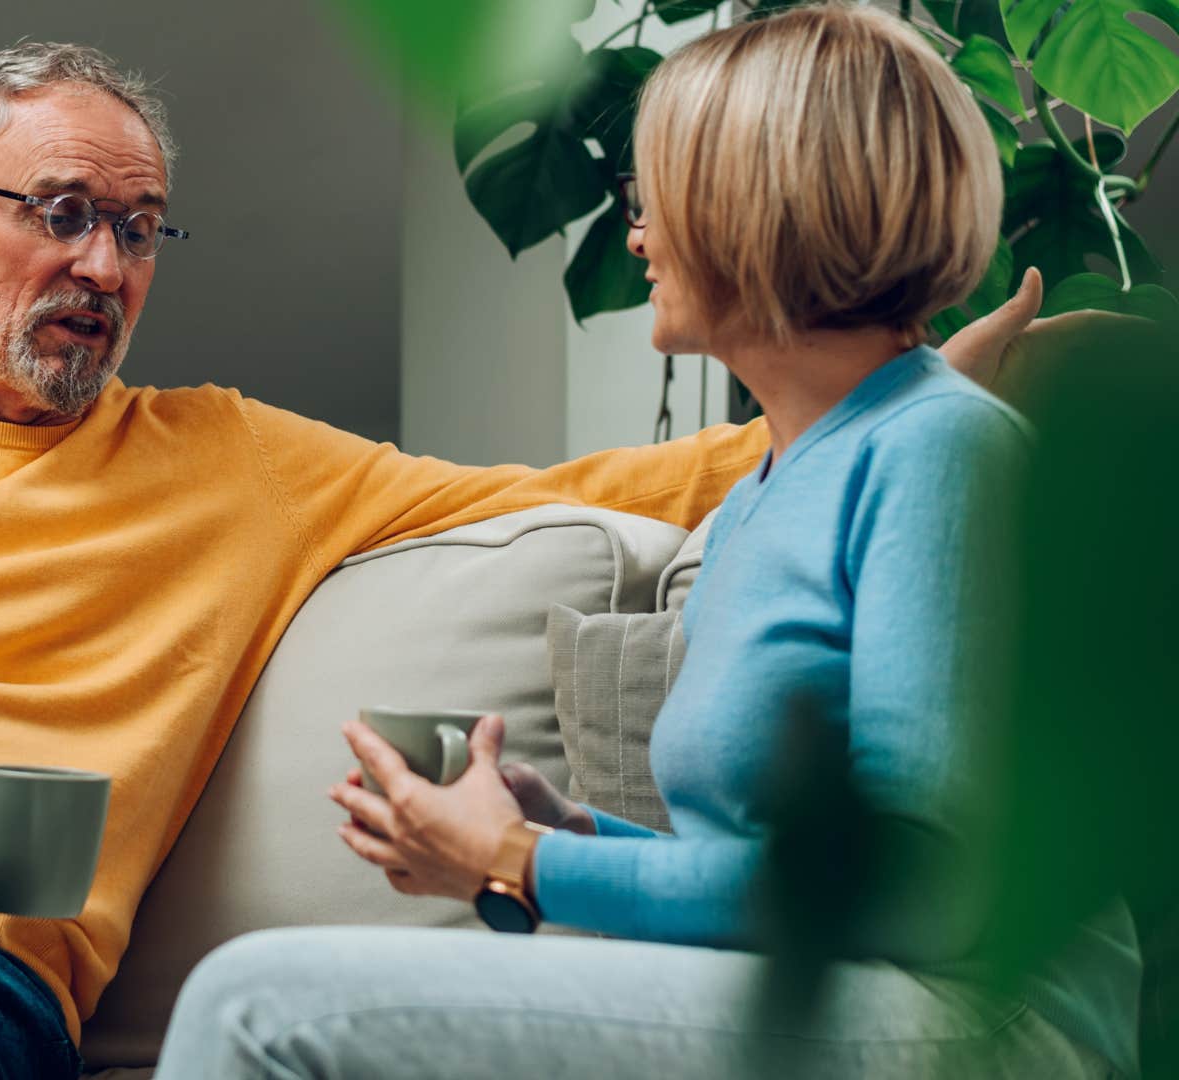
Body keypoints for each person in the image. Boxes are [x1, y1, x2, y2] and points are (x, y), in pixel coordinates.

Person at [0, 38, 1052, 1080]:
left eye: (139, 230)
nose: (102, 264)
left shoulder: (233, 460)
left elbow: (581, 483)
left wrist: (888, 383)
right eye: (62, 212)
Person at [154, 7, 1141, 1078]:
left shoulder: (941, 451)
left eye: (652, 198)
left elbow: (915, 889)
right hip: (844, 992)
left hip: (982, 1022)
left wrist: (525, 863)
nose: (636, 236)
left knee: (254, 1001)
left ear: (754, 210)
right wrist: (568, 835)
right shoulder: (769, 492)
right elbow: (770, 872)